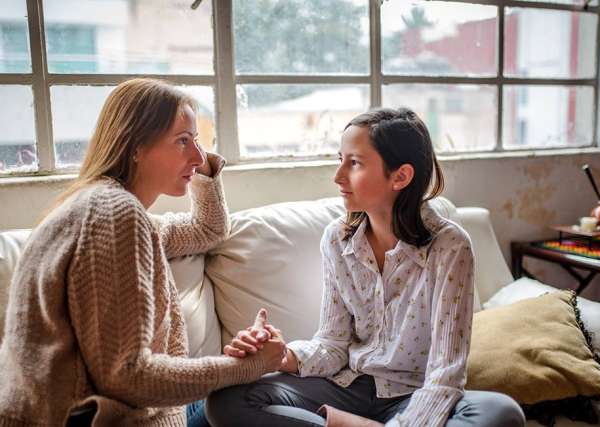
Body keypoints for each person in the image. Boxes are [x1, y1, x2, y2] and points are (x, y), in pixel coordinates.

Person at [207, 108, 526, 427]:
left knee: (502, 412)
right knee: (227, 400)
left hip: (416, 395)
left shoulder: (449, 246)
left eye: (355, 163)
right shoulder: (337, 240)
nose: (338, 176)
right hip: (349, 386)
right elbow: (332, 345)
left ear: (400, 176)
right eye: (340, 160)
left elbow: (445, 375)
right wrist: (281, 357)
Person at [0, 78, 285, 427]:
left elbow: (207, 230)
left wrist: (199, 165)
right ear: (135, 145)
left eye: (196, 141)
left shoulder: (107, 207)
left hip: (155, 411)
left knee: (261, 391)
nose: (197, 156)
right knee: (260, 393)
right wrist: (249, 366)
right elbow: (128, 376)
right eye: (183, 141)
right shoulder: (114, 216)